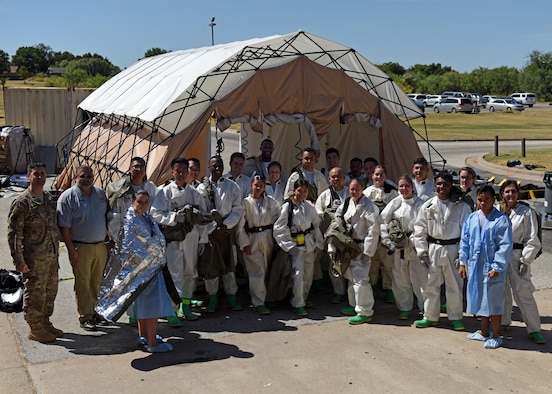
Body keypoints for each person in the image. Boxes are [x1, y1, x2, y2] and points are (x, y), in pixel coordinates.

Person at [102, 190, 175, 352]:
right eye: (140, 202)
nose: (143, 205)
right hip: (144, 269)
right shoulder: (132, 221)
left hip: (149, 268)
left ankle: (145, 335)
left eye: (146, 202)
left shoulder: (144, 217)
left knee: (144, 304)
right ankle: (152, 343)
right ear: (132, 202)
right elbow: (137, 246)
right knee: (151, 306)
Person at [7, 161, 62, 343]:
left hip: (51, 257)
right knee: (35, 294)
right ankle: (35, 328)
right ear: (29, 176)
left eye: (42, 173)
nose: (40, 177)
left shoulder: (48, 199)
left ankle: (45, 322)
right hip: (34, 259)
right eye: (36, 174)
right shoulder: (22, 203)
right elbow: (14, 235)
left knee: (50, 291)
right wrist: (18, 261)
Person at [151, 157, 209, 323]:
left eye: (184, 170)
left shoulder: (194, 193)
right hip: (173, 239)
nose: (182, 173)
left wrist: (202, 240)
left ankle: (186, 305)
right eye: (178, 170)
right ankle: (172, 310)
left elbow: (203, 218)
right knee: (175, 274)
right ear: (172, 172)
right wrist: (174, 217)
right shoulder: (164, 192)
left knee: (190, 273)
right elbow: (155, 213)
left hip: (191, 239)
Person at [413, 172, 471, 330]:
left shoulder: (461, 206)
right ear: (435, 185)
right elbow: (419, 230)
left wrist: (462, 255)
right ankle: (430, 316)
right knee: (431, 284)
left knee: (454, 286)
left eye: (445, 184)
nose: (442, 187)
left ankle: (455, 317)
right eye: (439, 184)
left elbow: (467, 233)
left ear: (451, 185)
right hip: (434, 249)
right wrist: (422, 252)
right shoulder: (428, 206)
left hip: (453, 248)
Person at [106, 157, 159, 326]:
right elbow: (114, 218)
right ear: (129, 169)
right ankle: (132, 314)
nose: (139, 170)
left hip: (147, 242)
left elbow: (156, 214)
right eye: (135, 167)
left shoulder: (151, 188)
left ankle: (145, 313)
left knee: (146, 280)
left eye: (142, 167)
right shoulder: (121, 189)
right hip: (128, 243)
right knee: (128, 280)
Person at [458, 185, 512, 349]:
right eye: (479, 200)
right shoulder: (472, 218)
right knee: (480, 297)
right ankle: (483, 331)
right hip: (475, 266)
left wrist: (497, 267)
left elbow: (504, 246)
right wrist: (462, 262)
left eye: (486, 199)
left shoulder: (501, 220)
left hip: (492, 268)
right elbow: (465, 241)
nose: (482, 203)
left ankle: (496, 335)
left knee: (493, 301)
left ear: (493, 199)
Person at [57, 165, 109, 331]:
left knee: (98, 282)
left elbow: (107, 218)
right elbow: (64, 228)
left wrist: (110, 240)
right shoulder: (67, 198)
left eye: (89, 176)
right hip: (81, 247)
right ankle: (85, 316)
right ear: (75, 178)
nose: (86, 179)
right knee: (83, 284)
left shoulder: (100, 194)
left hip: (100, 246)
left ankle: (96, 313)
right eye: (82, 176)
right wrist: (71, 250)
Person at [499, 180, 546, 344]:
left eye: (513, 191)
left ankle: (534, 329)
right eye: (507, 192)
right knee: (502, 291)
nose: (510, 195)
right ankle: (504, 321)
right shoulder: (498, 211)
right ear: (502, 194)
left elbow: (532, 239)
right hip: (500, 256)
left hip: (518, 255)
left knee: (523, 293)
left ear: (518, 193)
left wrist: (525, 261)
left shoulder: (526, 212)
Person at [197, 155, 244, 312]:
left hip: (226, 233)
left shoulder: (232, 187)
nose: (217, 168)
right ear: (209, 168)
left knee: (229, 266)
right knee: (212, 268)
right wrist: (213, 229)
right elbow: (201, 212)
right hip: (210, 233)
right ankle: (213, 299)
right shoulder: (202, 188)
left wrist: (224, 227)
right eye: (214, 165)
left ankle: (232, 298)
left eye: (220, 165)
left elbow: (237, 210)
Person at [273, 179, 324, 316]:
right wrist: (288, 246)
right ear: (294, 191)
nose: (302, 194)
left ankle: (304, 298)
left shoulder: (309, 207)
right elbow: (279, 228)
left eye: (305, 191)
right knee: (298, 275)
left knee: (308, 273)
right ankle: (298, 302)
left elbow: (315, 227)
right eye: (299, 191)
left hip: (308, 244)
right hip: (295, 243)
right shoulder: (288, 207)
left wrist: (319, 243)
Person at [333, 178, 380, 324]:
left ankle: (365, 311)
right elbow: (337, 220)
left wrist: (368, 252)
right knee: (351, 278)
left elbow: (373, 230)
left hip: (361, 247)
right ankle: (354, 305)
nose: (354, 192)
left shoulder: (369, 206)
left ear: (363, 188)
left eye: (357, 189)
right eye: (352, 189)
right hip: (347, 245)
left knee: (361, 280)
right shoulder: (347, 203)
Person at [379, 175, 426, 320]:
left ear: (412, 187)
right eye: (401, 186)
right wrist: (388, 240)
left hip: (414, 246)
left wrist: (415, 242)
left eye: (407, 186)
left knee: (419, 279)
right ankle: (404, 307)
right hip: (398, 247)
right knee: (400, 278)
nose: (404, 189)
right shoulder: (395, 203)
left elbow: (424, 225)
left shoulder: (420, 204)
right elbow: (382, 221)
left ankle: (425, 308)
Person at [236, 175, 280, 314]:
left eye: (261, 185)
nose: (258, 188)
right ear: (251, 186)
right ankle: (258, 303)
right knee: (257, 270)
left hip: (267, 238)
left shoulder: (271, 202)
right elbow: (240, 227)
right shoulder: (245, 203)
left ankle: (265, 297)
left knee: (266, 269)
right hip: (252, 238)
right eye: (256, 185)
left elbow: (278, 219)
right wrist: (245, 244)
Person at [363, 165, 398, 303]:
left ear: (385, 176)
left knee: (387, 263)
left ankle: (389, 289)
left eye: (381, 174)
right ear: (372, 176)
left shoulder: (392, 193)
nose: (378, 177)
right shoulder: (366, 193)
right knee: (372, 263)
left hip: (386, 233)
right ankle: (372, 287)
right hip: (371, 233)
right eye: (376, 174)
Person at [315, 167, 349, 303]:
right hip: (331, 236)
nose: (336, 179)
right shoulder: (325, 195)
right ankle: (339, 292)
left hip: (348, 235)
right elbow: (318, 215)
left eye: (338, 176)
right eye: (333, 177)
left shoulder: (350, 192)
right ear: (329, 179)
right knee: (334, 264)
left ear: (344, 177)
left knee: (350, 263)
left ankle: (351, 293)